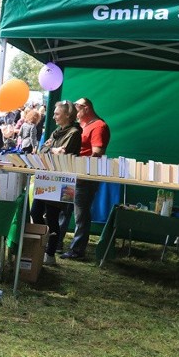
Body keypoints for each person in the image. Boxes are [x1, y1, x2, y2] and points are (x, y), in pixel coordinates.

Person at [30, 100, 82, 265]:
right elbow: (42, 150)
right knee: (35, 212)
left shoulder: (74, 133)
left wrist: (51, 151)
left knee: (52, 217)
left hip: (61, 180)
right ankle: (42, 243)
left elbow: (63, 155)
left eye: (57, 114)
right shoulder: (56, 132)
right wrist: (52, 150)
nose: (53, 117)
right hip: (47, 178)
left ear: (67, 115)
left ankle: (50, 253)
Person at [61, 98, 111, 260]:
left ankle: (77, 250)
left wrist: (80, 166)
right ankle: (58, 244)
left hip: (85, 177)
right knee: (66, 210)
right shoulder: (82, 125)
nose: (74, 112)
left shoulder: (99, 126)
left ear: (85, 108)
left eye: (76, 108)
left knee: (80, 214)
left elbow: (97, 153)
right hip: (73, 174)